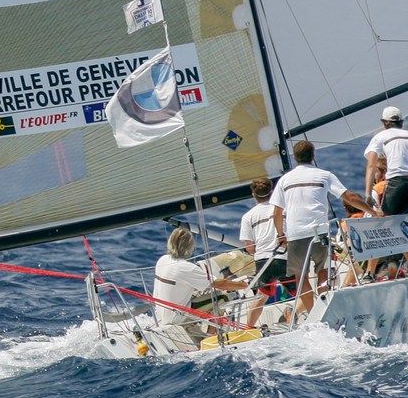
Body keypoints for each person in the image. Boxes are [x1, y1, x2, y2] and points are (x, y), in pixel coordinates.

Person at [273, 140, 368, 322]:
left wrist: (280, 235)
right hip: (319, 233)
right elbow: (349, 197)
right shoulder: (324, 175)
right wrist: (372, 212)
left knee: (301, 277)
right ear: (313, 155)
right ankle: (324, 312)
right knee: (323, 273)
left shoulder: (284, 180)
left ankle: (313, 315)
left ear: (295, 157)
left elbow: (277, 212)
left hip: (295, 234)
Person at [152, 227, 244, 338]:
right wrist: (244, 285)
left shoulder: (163, 260)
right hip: (177, 317)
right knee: (223, 297)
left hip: (162, 314)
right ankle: (211, 335)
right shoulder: (186, 268)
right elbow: (220, 284)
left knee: (200, 294)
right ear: (190, 247)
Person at [239, 178, 285, 327]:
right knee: (300, 289)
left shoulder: (247, 217)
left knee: (261, 295)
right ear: (271, 192)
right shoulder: (281, 209)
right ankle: (300, 314)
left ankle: (249, 328)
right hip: (284, 256)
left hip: (263, 260)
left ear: (253, 195)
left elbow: (249, 248)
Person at [365, 106, 408, 215]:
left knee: (386, 215)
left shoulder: (380, 136)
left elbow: (371, 165)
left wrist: (368, 195)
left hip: (397, 181)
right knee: (404, 214)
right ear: (401, 123)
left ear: (384, 123)